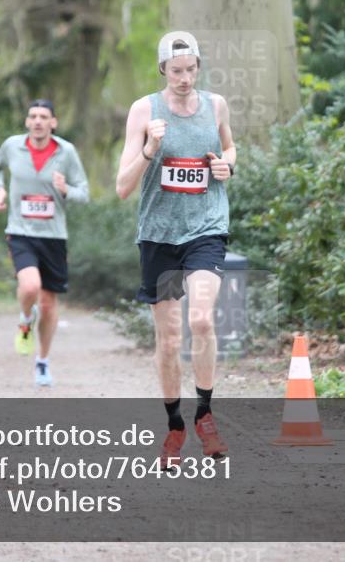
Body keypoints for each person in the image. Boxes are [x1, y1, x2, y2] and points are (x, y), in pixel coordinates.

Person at [116, 31, 236, 468]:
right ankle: (174, 425)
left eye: (191, 70)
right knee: (169, 341)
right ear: (163, 69)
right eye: (176, 71)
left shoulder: (216, 105)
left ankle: (205, 415)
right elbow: (122, 186)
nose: (185, 79)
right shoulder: (144, 109)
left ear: (199, 67)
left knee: (201, 319)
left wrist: (229, 164)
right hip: (159, 234)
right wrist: (149, 148)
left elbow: (229, 145)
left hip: (206, 228)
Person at [0, 99, 89, 386]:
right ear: (26, 121)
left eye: (44, 116)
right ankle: (23, 318)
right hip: (21, 231)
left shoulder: (66, 152)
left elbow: (84, 192)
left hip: (54, 235)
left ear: (53, 123)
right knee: (30, 286)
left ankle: (42, 361)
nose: (38, 121)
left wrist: (65, 189)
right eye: (33, 116)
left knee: (48, 303)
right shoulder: (12, 146)